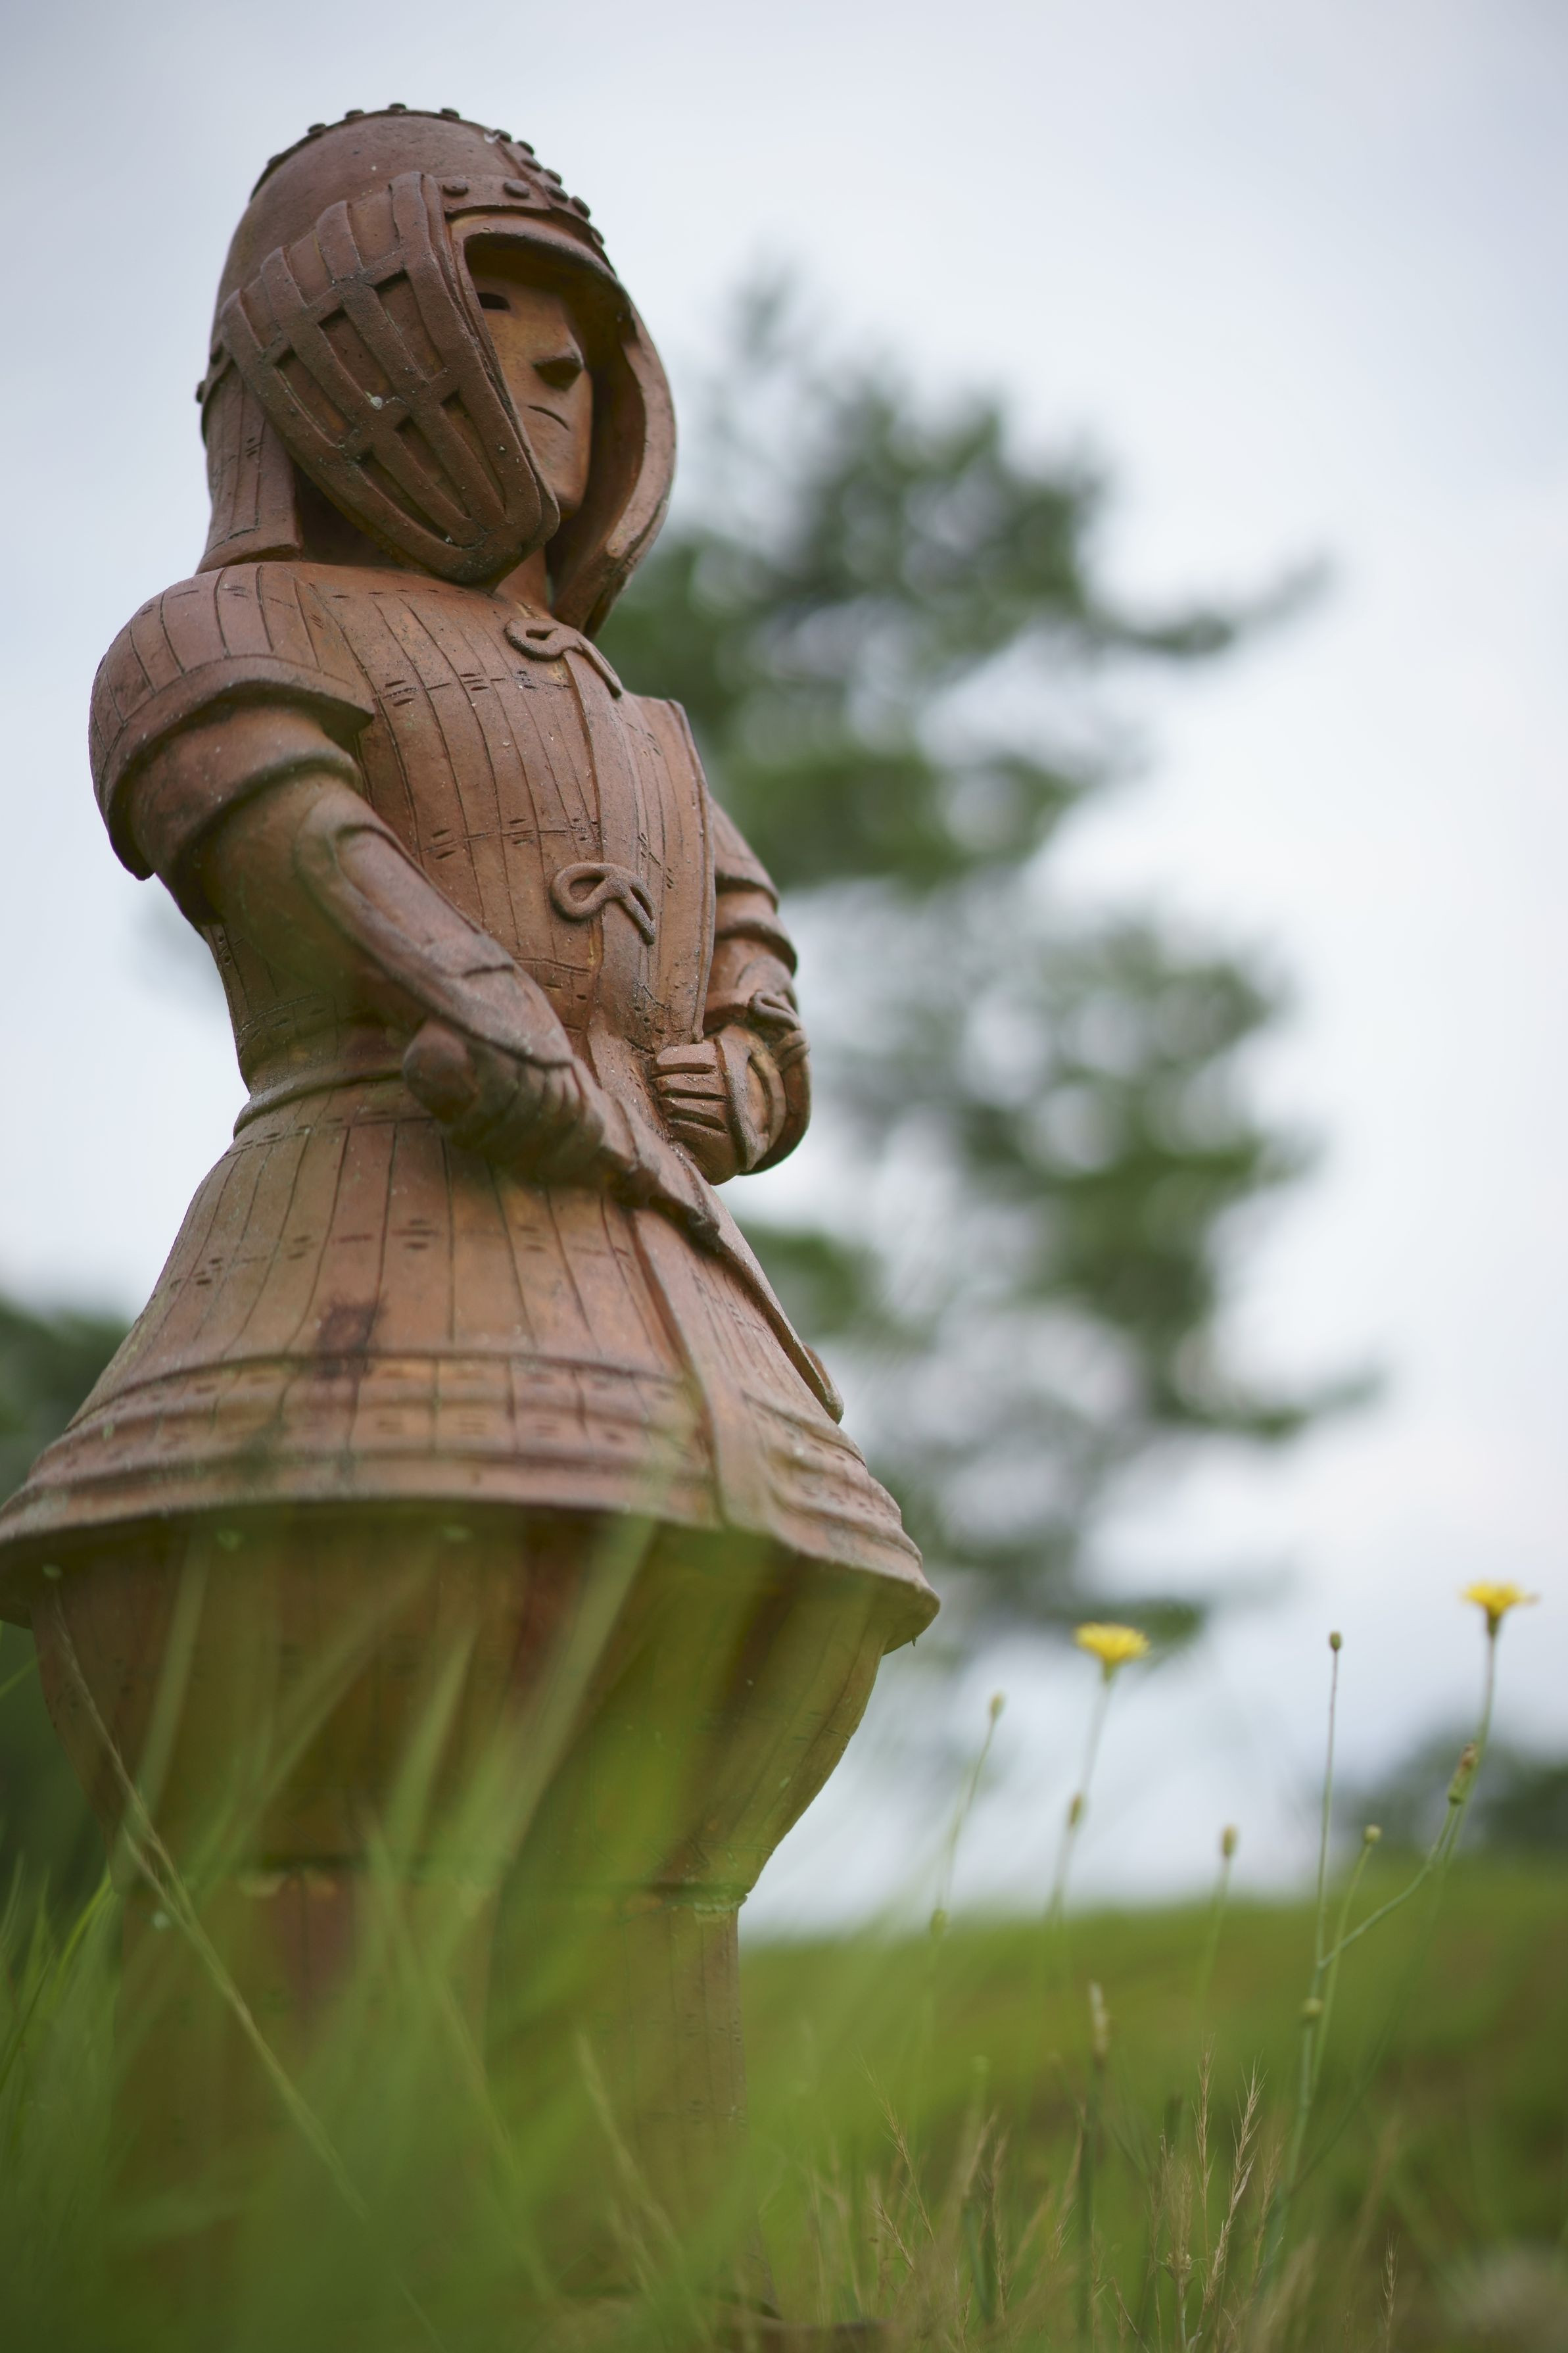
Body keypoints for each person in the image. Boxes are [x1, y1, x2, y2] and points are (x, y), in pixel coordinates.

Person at [0, 107, 934, 2299]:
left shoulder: (643, 723)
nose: (538, 398)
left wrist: (737, 1074)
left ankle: (647, 2278)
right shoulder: (223, 628)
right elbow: (286, 836)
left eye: (570, 361)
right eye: (484, 341)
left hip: (658, 1301)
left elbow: (750, 959)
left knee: (657, 1809)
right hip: (345, 1248)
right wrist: (477, 1000)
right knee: (297, 1799)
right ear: (339, 362)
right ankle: (279, 2270)